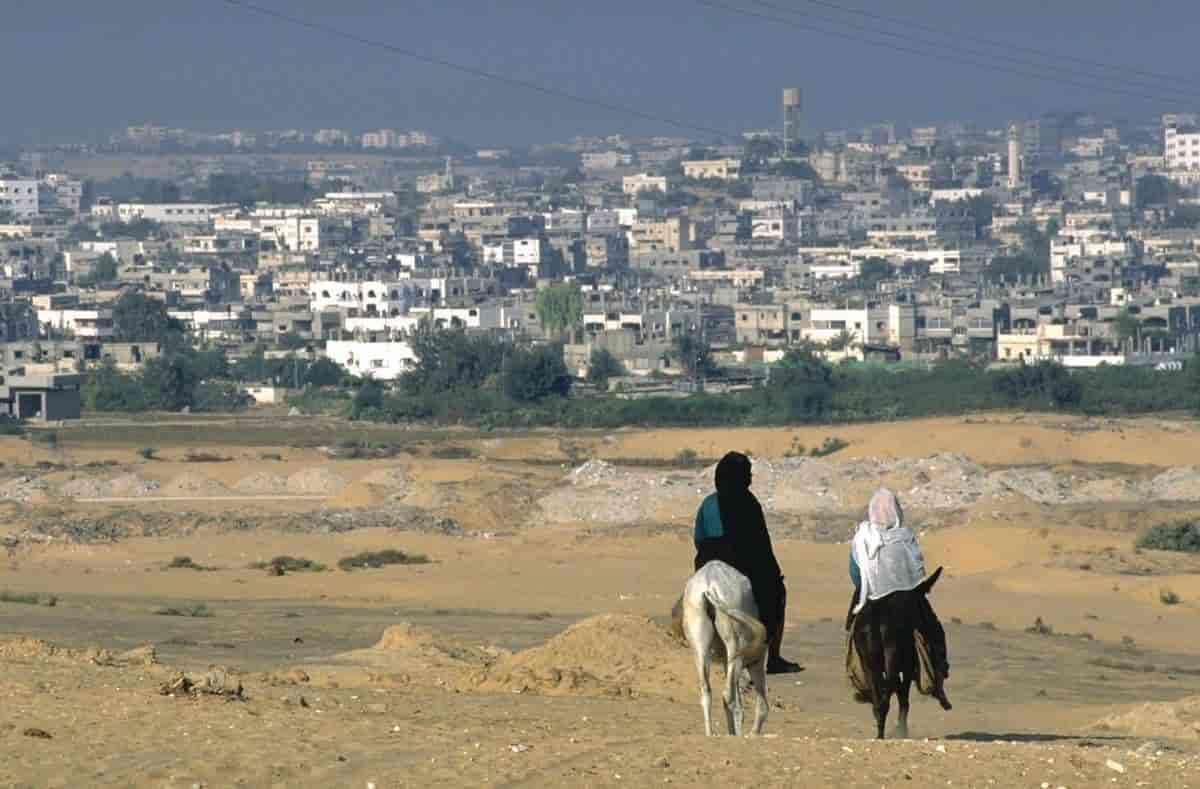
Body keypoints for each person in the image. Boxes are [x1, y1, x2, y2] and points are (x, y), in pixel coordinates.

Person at [694, 451, 802, 674]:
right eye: (748, 474)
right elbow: (761, 542)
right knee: (777, 592)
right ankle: (771, 657)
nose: (751, 479)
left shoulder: (707, 503)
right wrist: (773, 572)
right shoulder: (748, 502)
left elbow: (698, 539)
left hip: (706, 561)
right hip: (740, 561)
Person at [847, 488, 951, 709]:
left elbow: (855, 573)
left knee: (852, 629)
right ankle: (937, 674)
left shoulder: (862, 537)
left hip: (869, 593)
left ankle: (858, 678)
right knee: (933, 629)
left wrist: (868, 584)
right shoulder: (905, 537)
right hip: (906, 596)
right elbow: (917, 569)